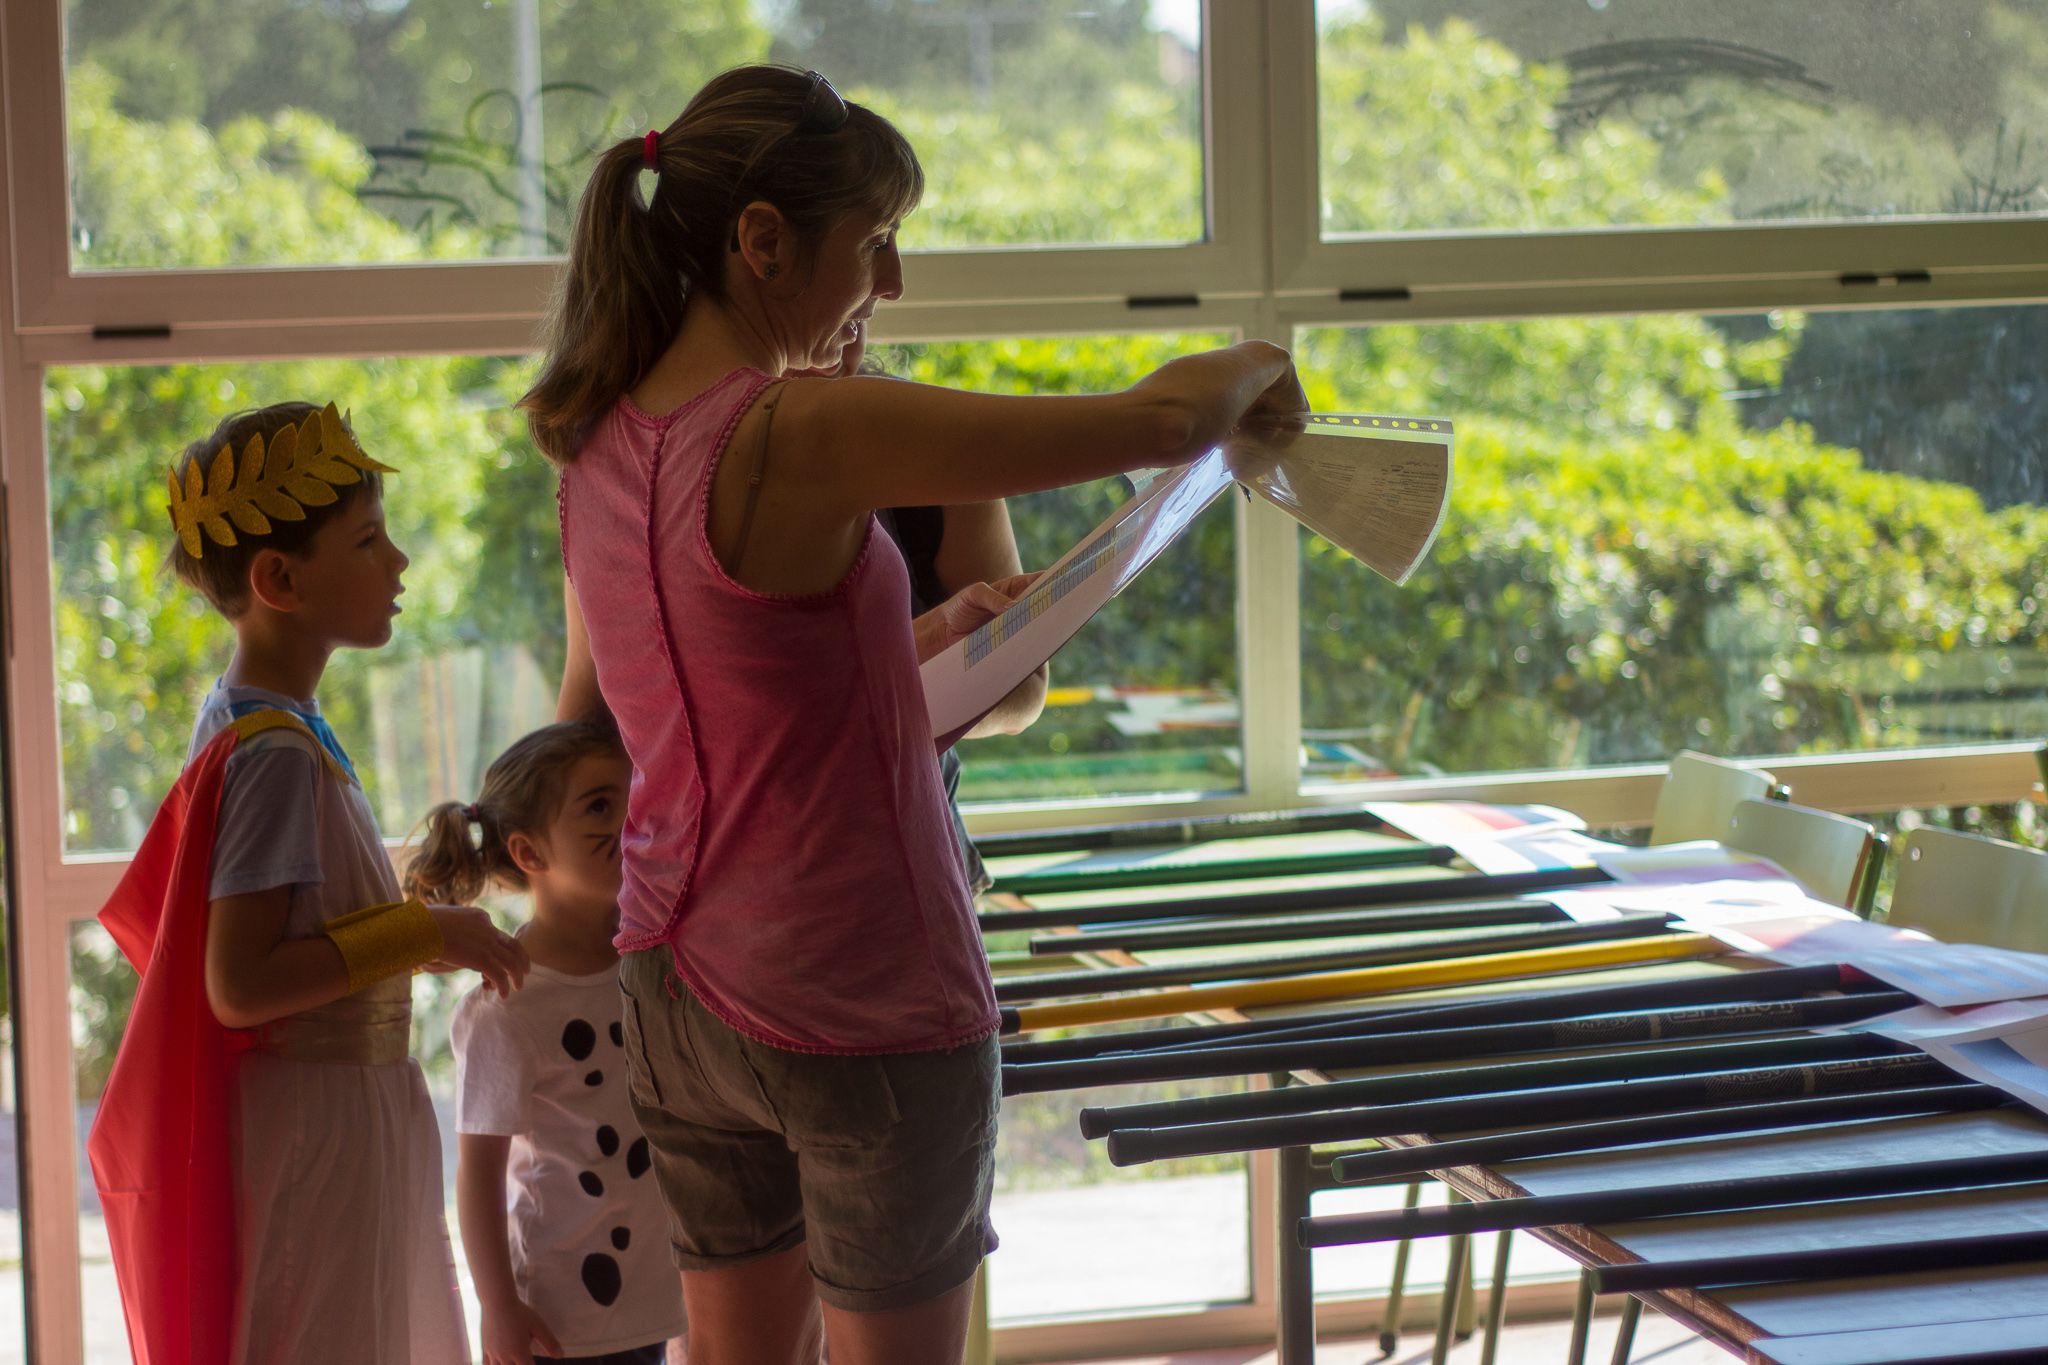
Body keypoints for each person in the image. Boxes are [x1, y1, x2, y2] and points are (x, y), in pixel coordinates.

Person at [522, 63, 1304, 1365]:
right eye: (874, 244)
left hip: (674, 975)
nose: (892, 285)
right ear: (761, 240)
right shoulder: (795, 427)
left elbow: (739, 686)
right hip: (857, 987)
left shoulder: (599, 438)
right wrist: (1262, 357)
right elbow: (1158, 420)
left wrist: (927, 640)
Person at [88, 400, 531, 1365]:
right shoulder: (275, 751)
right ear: (279, 579)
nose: (399, 562)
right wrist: (426, 935)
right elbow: (239, 982)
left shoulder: (269, 722)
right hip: (317, 1125)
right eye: (369, 540)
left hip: (339, 1112)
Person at [405, 721, 687, 1365]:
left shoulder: (655, 958)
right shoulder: (508, 1006)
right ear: (530, 853)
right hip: (561, 1323)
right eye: (599, 806)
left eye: (633, 791)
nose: (633, 815)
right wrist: (499, 1307)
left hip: (663, 1298)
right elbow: (476, 1179)